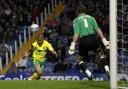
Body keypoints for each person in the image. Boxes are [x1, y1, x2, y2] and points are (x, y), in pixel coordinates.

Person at [68, 5, 109, 80]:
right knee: (101, 55)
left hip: (84, 40)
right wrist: (104, 40)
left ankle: (89, 74)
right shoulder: (91, 18)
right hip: (93, 38)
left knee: (78, 59)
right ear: (85, 11)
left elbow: (76, 34)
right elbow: (98, 29)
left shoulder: (76, 20)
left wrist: (72, 45)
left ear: (78, 12)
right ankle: (107, 70)